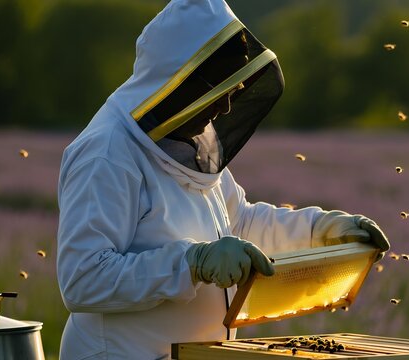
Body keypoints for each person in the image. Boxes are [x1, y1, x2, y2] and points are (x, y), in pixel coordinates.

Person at [56, 0, 390, 359]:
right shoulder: (107, 152)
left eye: (233, 91)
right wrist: (192, 263)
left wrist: (319, 231)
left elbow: (240, 222)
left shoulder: (193, 143)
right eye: (217, 90)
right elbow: (83, 279)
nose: (225, 107)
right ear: (179, 78)